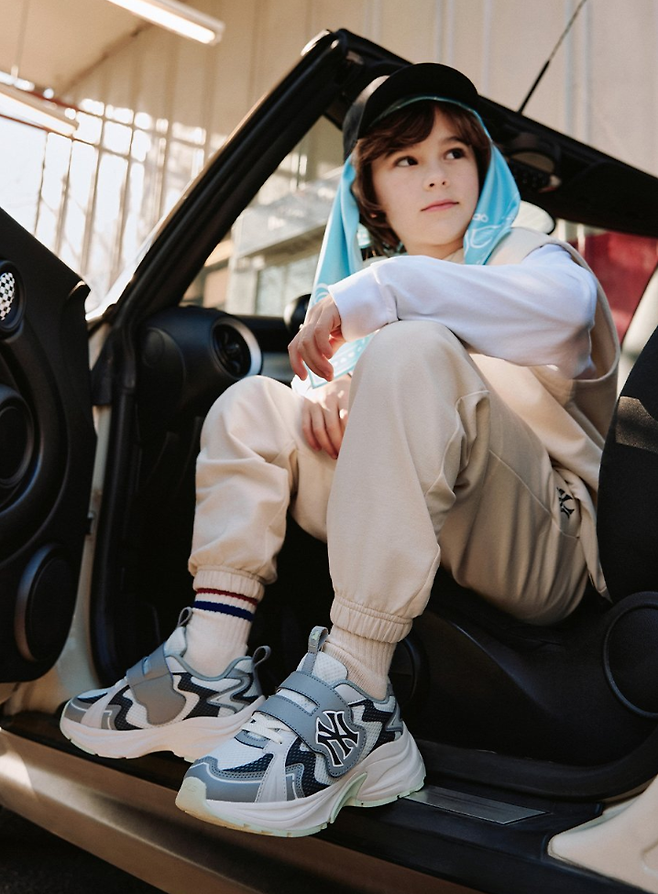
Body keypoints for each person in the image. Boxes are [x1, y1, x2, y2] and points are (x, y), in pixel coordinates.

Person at [60, 63, 619, 837]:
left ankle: (358, 688)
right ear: (372, 195)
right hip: (437, 512)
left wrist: (382, 307)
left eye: (456, 152)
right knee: (255, 404)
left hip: (549, 539)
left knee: (414, 348)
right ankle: (210, 666)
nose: (436, 175)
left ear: (483, 169)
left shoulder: (527, 255)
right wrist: (335, 389)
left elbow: (562, 318)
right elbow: (374, 383)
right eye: (406, 159)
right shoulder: (371, 302)